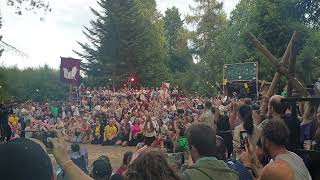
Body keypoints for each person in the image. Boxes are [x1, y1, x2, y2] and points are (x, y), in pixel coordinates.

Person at [241, 120, 312, 180]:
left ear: (267, 141)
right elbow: (262, 175)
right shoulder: (295, 157)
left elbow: (264, 175)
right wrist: (252, 156)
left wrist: (247, 164)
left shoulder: (274, 168)